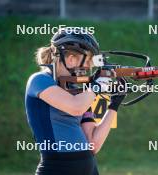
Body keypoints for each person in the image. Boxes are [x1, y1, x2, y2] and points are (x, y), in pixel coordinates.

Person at [25, 27, 125, 175]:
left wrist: (114, 105)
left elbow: (93, 144)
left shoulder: (78, 91)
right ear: (71, 58)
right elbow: (76, 107)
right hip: (57, 168)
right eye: (88, 60)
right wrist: (98, 85)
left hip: (89, 169)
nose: (90, 66)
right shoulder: (39, 80)